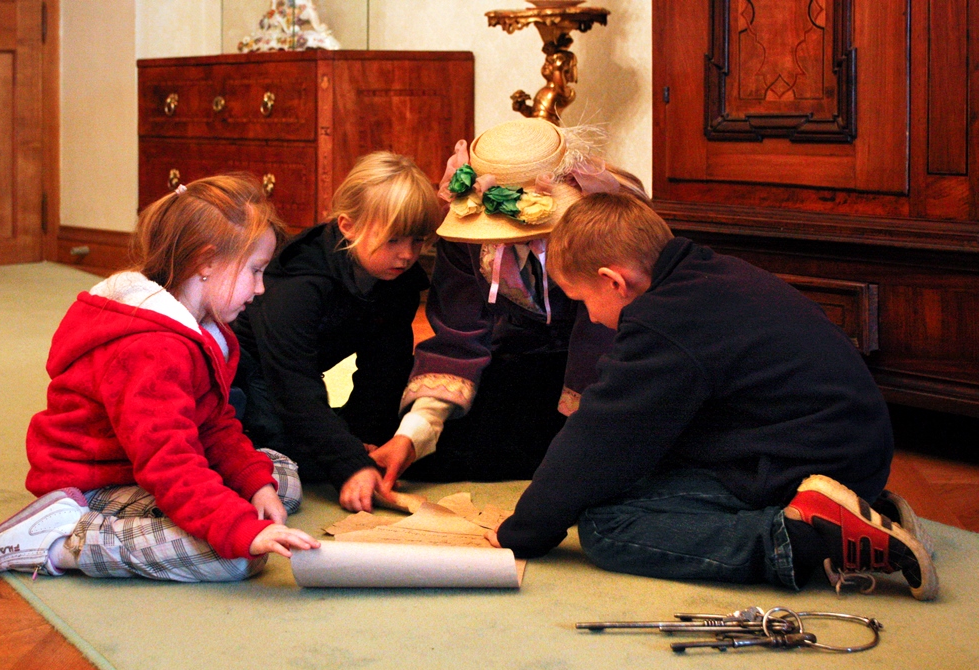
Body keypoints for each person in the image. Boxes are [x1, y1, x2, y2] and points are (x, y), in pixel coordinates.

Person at [488, 191, 938, 601]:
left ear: (614, 282)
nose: (590, 316)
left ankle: (803, 537)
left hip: (809, 459)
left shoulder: (663, 322)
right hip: (847, 448)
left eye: (582, 299)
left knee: (607, 525)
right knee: (638, 477)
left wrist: (524, 532)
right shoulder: (705, 272)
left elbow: (600, 439)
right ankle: (866, 509)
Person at [0, 174, 320, 583]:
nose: (261, 289)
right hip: (92, 484)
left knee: (280, 478)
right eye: (255, 271)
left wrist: (254, 485)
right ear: (206, 263)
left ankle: (231, 505)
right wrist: (239, 529)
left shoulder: (205, 328)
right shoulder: (152, 349)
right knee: (234, 558)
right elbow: (168, 463)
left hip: (139, 465)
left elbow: (213, 423)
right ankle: (62, 540)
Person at [372, 118, 645, 494]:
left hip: (605, 369)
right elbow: (458, 338)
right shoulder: (465, 233)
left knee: (590, 462)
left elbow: (608, 337)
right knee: (410, 440)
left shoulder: (600, 232)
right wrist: (413, 435)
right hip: (520, 359)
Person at [231, 152, 440, 512]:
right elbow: (293, 383)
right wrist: (348, 464)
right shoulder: (299, 283)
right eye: (393, 240)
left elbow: (384, 369)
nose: (407, 255)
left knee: (402, 422)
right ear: (347, 225)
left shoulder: (397, 280)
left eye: (417, 241)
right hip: (248, 373)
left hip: (302, 374)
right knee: (284, 448)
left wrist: (366, 440)